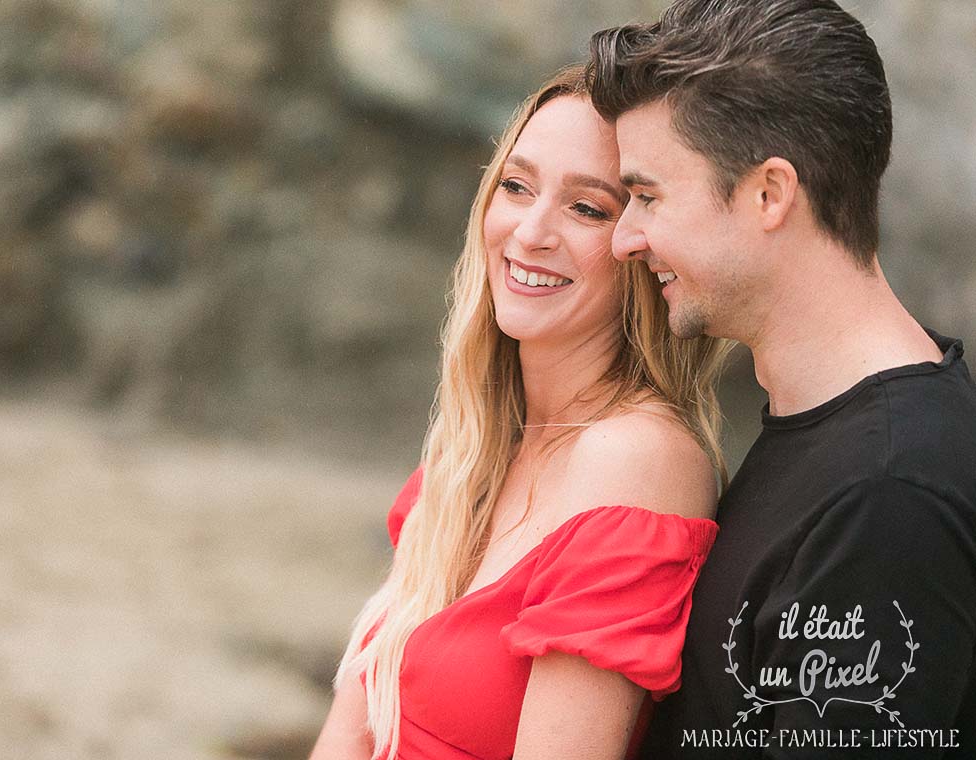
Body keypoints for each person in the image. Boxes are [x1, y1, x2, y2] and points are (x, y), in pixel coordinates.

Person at [586, 1, 976, 758]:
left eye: (648, 195)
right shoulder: (839, 439)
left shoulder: (888, 492)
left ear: (770, 194)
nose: (626, 238)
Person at [309, 64, 733, 760]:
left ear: (641, 245)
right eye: (516, 186)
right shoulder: (473, 447)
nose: (530, 231)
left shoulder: (633, 459)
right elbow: (347, 734)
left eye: (587, 208)